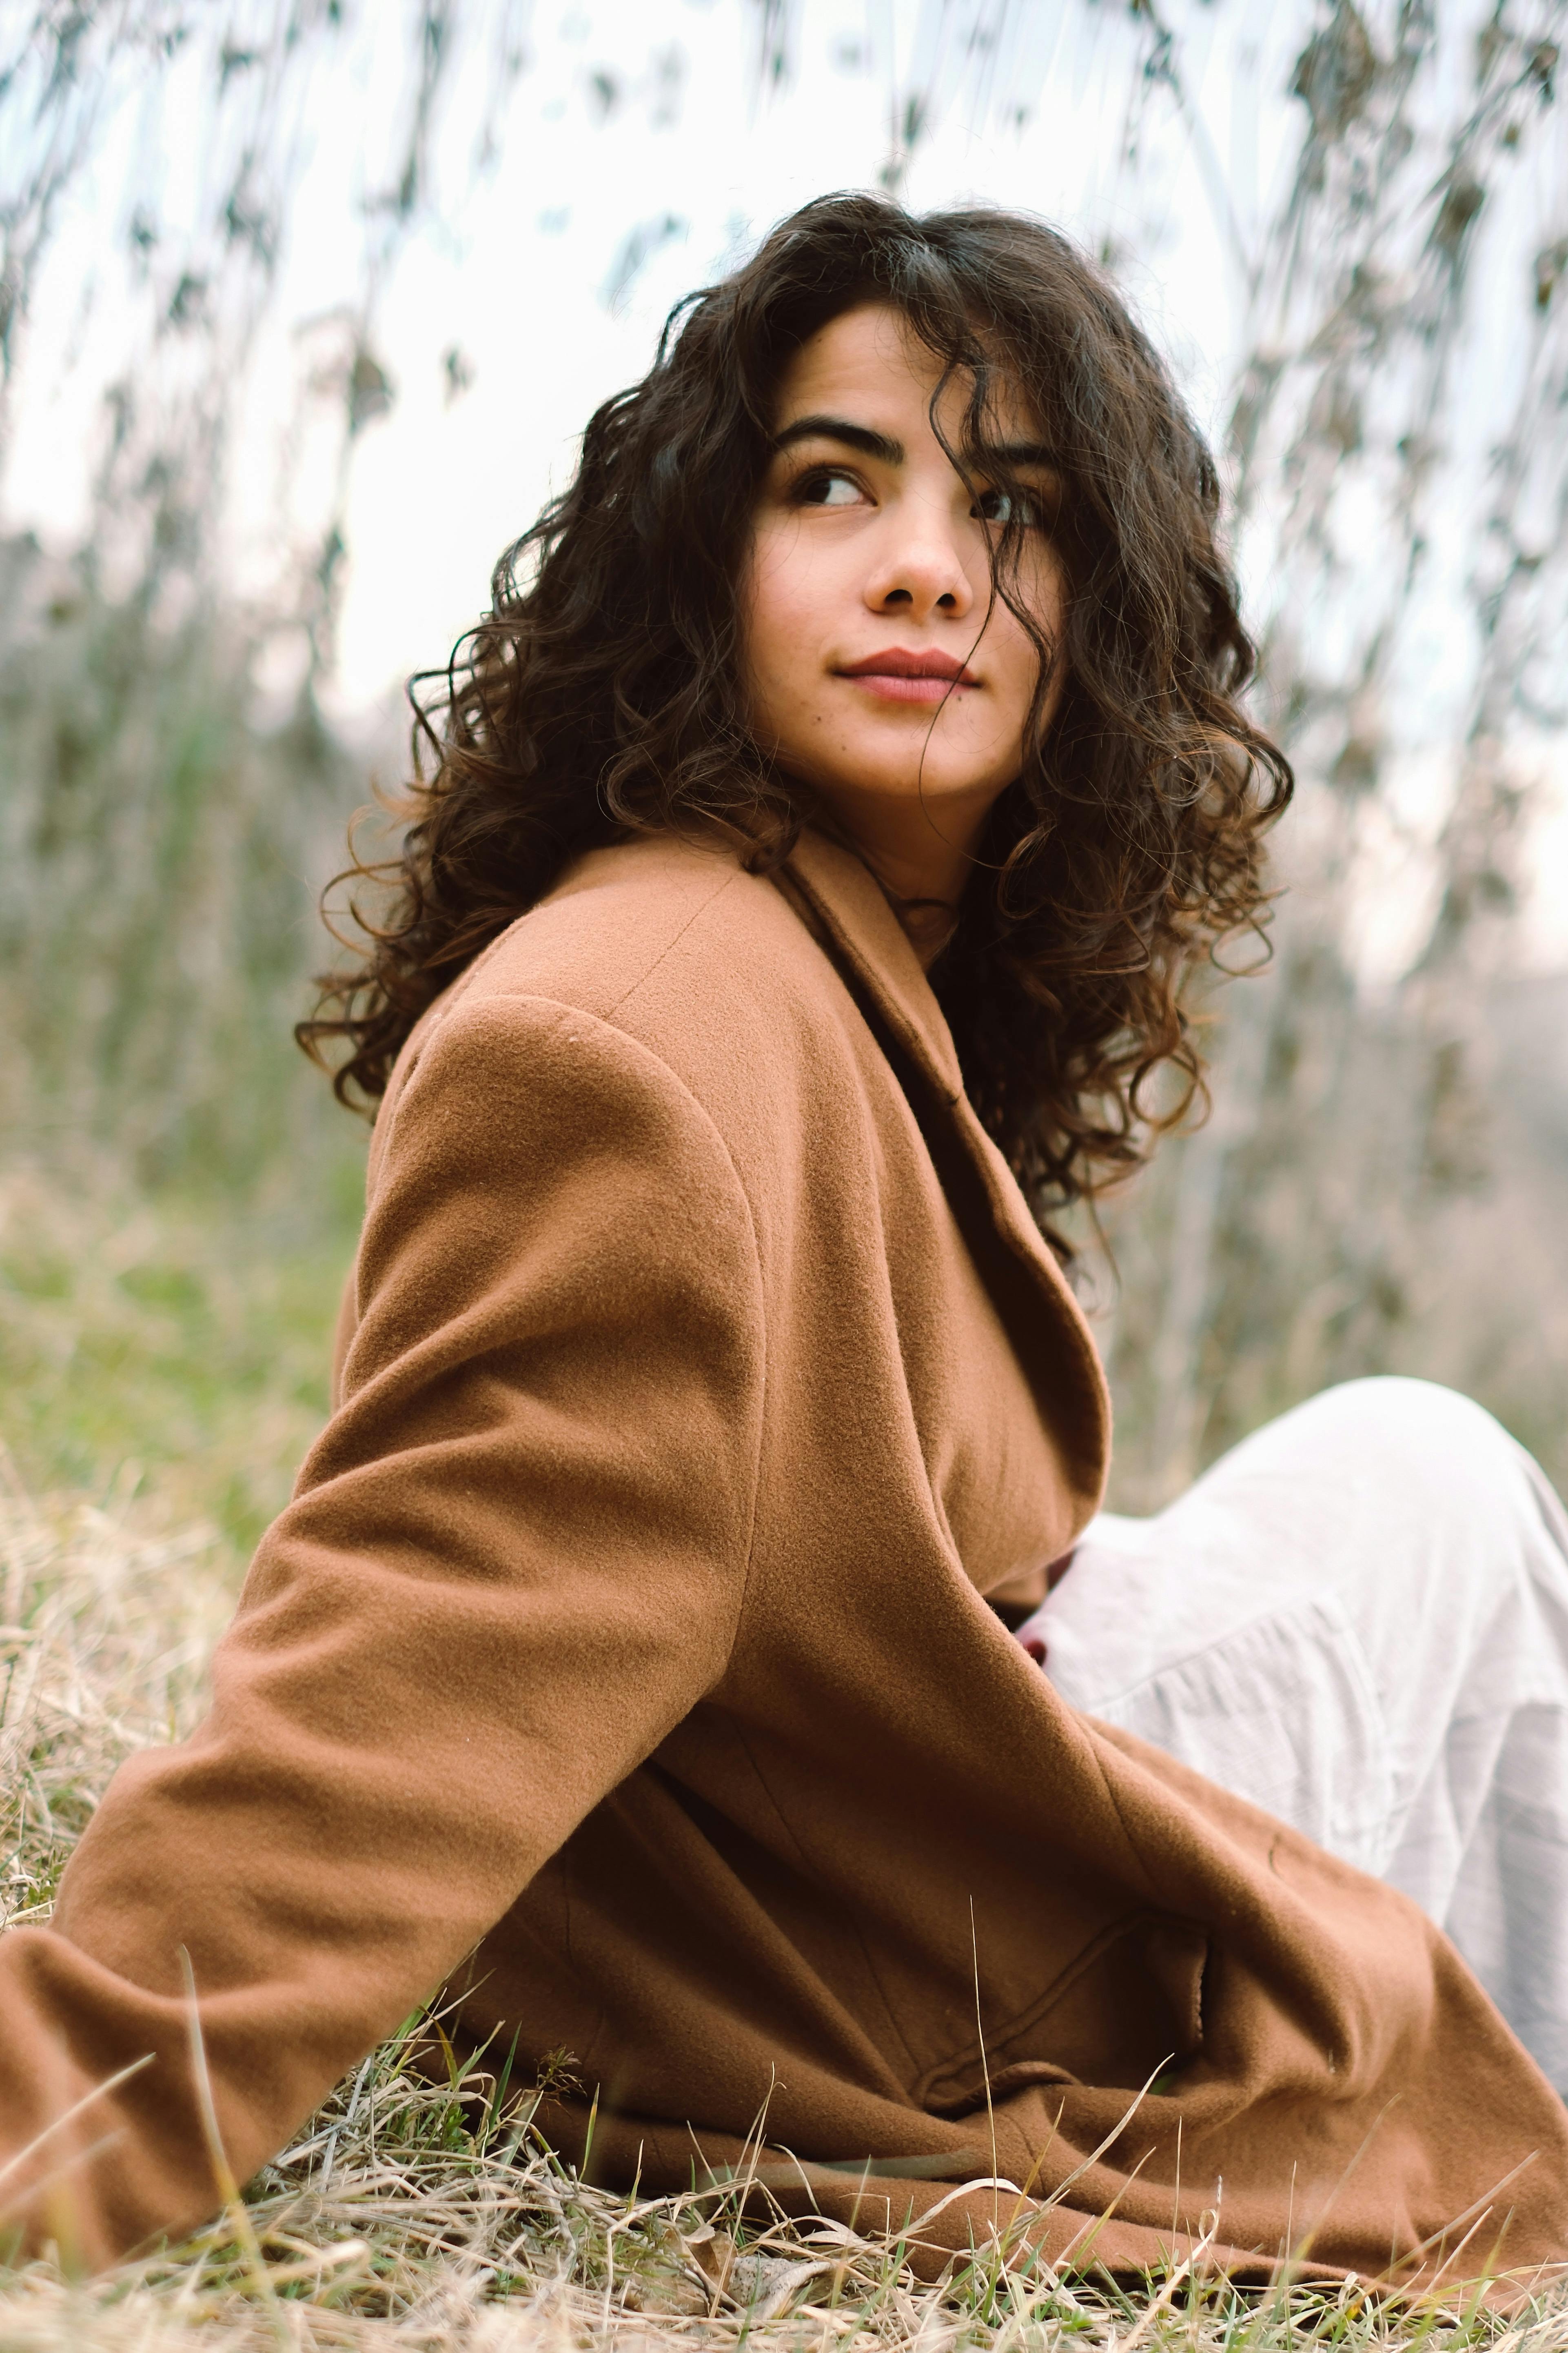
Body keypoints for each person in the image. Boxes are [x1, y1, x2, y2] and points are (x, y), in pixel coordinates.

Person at [2, 191, 1565, 2289]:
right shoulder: (639, 1042)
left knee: (1396, 1488)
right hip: (913, 2005)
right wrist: (75, 2085)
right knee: (1433, 1476)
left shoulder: (817, 945)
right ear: (705, 562)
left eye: (1009, 502)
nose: (928, 559)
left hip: (899, 1853)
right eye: (834, 481)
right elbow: (395, 1681)